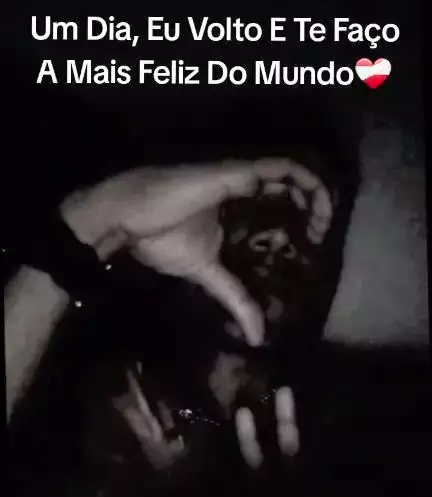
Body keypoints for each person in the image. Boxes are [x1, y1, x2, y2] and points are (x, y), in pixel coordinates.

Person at [5, 156, 333, 467]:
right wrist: (94, 218)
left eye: (305, 225)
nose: (278, 236)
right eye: (258, 210)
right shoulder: (76, 391)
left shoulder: (337, 429)